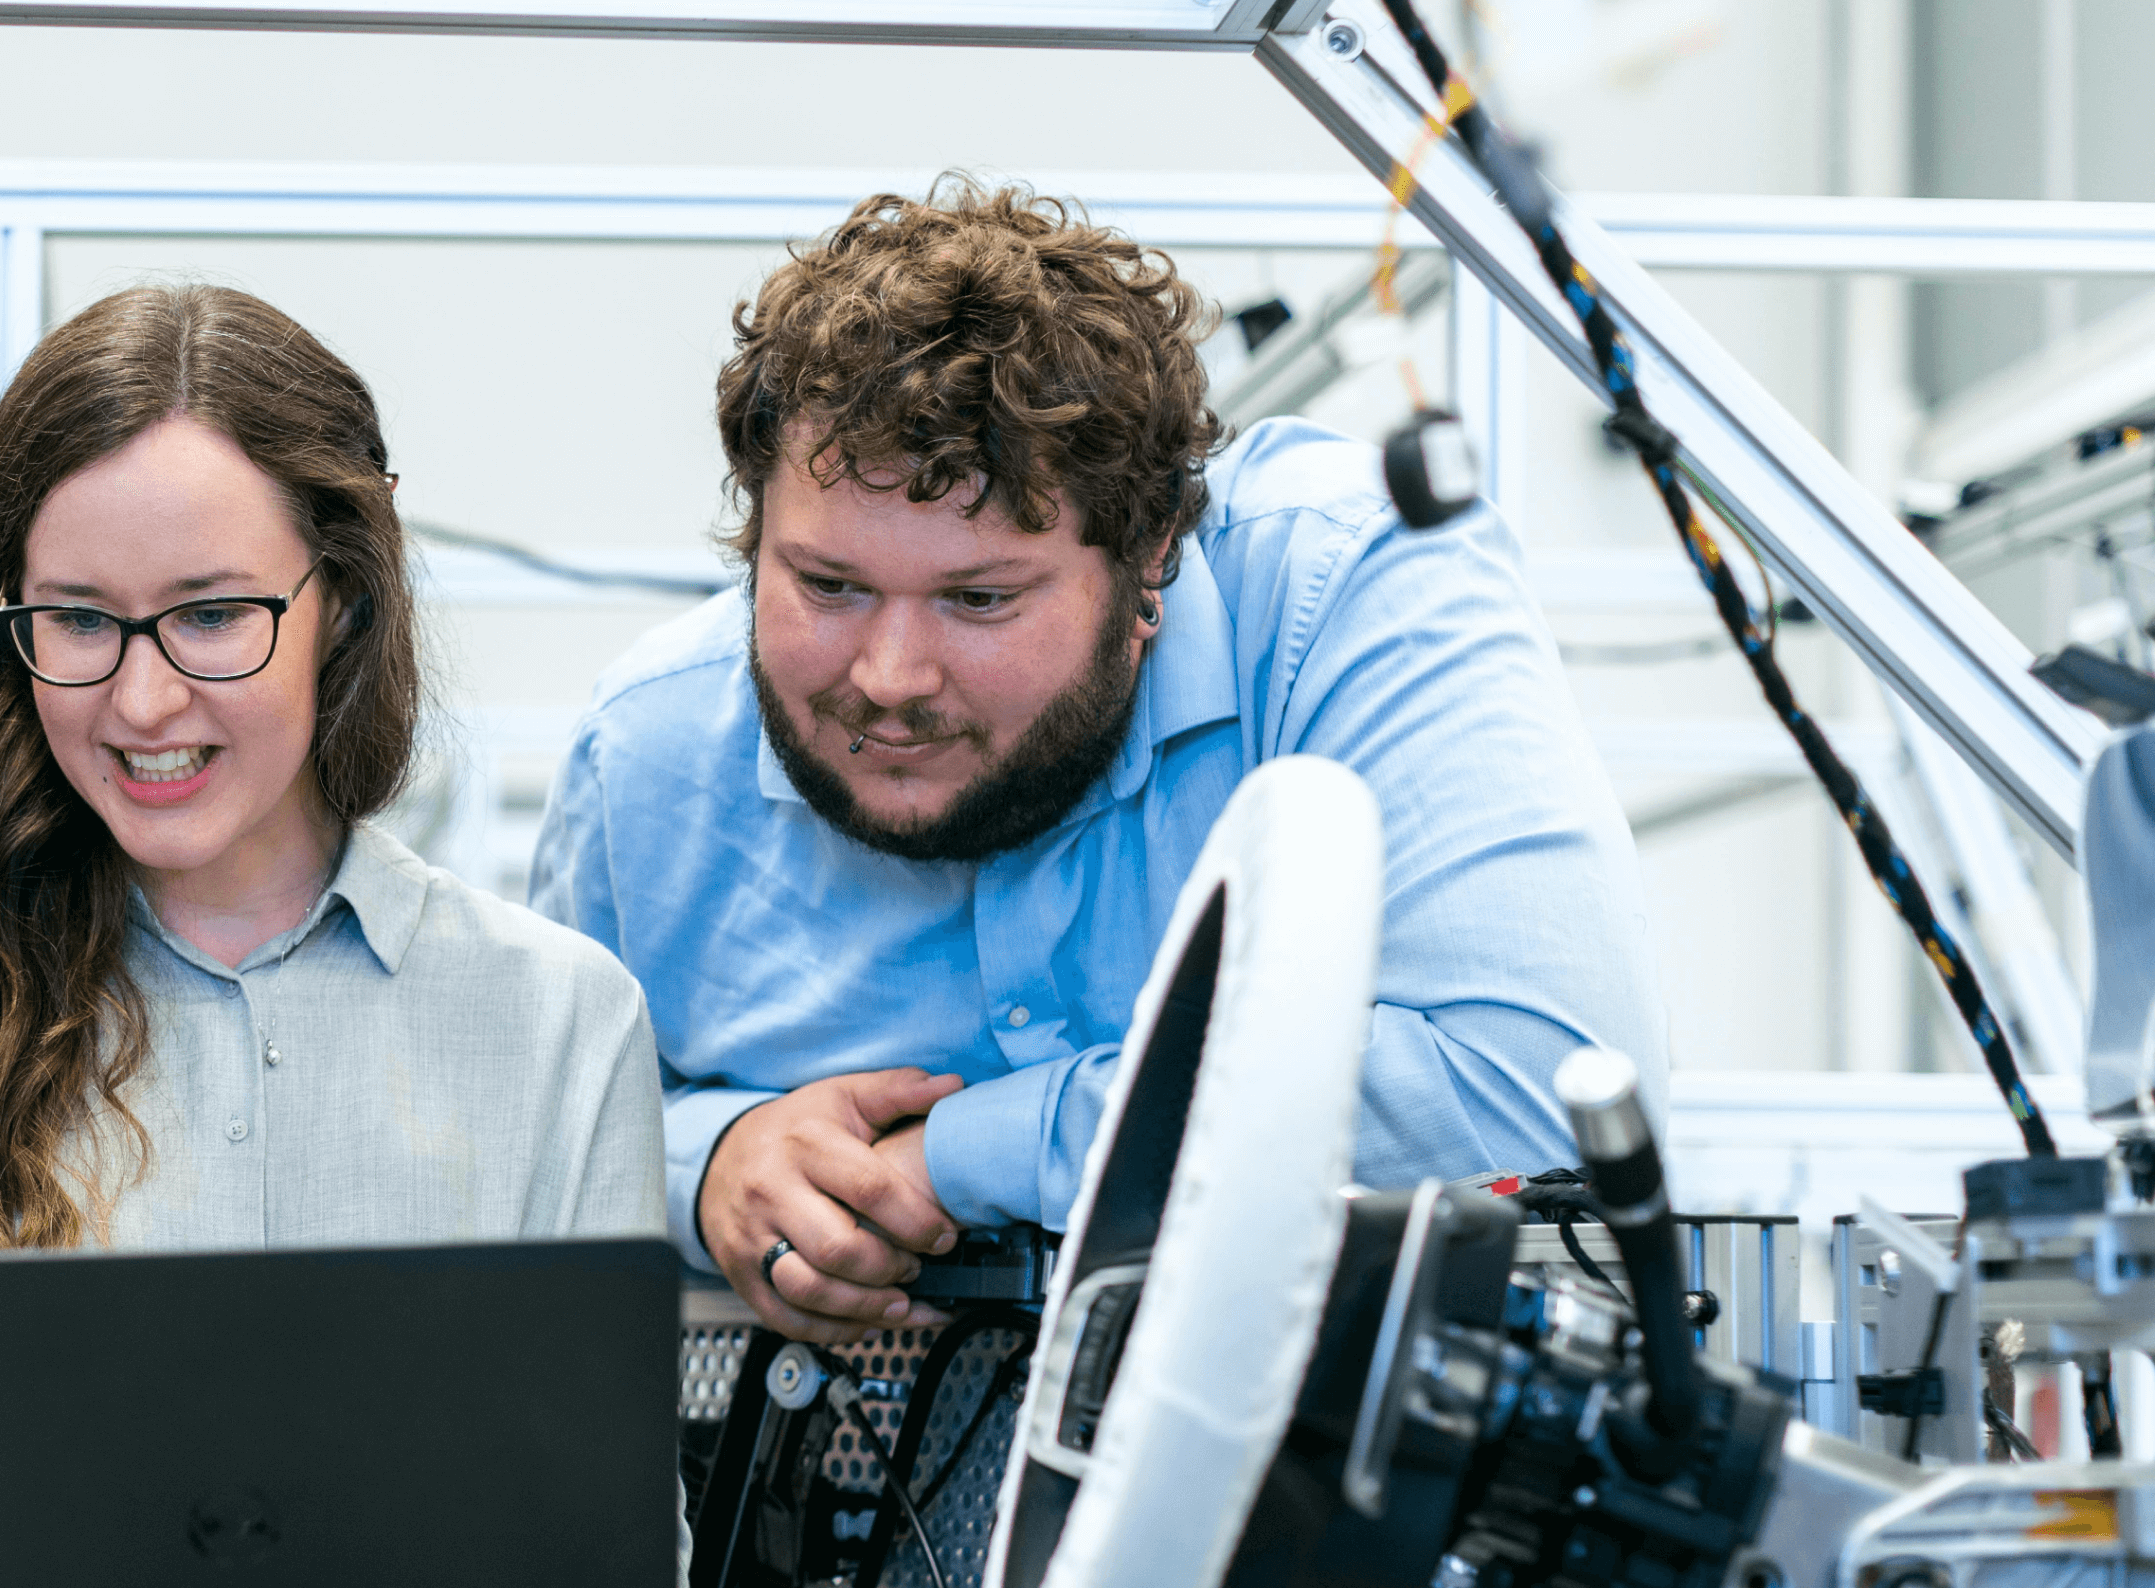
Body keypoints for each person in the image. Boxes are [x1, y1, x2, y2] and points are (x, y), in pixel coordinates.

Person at [528, 178, 1665, 1346]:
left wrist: (957, 1158)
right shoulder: (646, 756)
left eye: (979, 599)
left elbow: (1535, 1083)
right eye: (828, 586)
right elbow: (533, 1141)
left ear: (1151, 555)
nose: (889, 676)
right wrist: (709, 1163)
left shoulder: (1344, 591)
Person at [0, 284, 662, 1260]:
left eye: (209, 616)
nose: (145, 701)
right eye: (78, 619)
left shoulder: (563, 1025)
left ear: (346, 596)